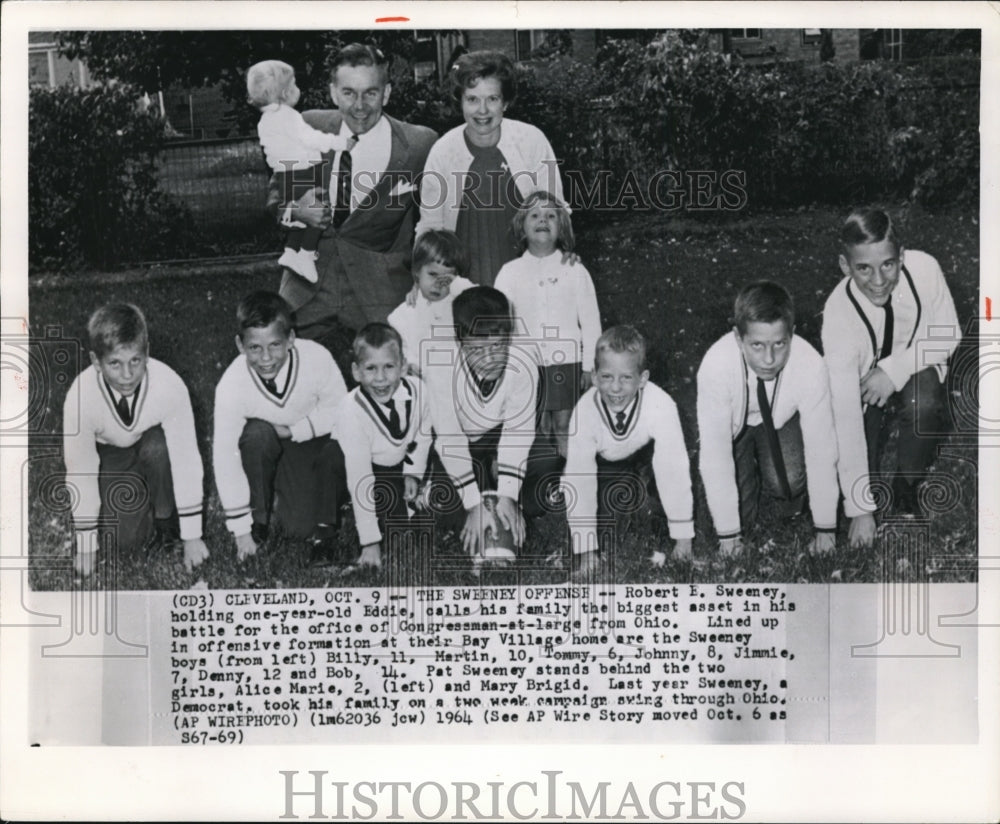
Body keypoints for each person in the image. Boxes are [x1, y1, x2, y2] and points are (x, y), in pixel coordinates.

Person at [265, 44, 438, 340]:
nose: (360, 105)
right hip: (308, 287)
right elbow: (275, 199)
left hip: (380, 291)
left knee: (398, 370)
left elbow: (435, 222)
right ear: (333, 92)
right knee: (280, 361)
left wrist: (422, 276)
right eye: (348, 93)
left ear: (386, 93)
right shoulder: (308, 127)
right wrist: (297, 210)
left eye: (370, 92)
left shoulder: (419, 145)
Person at [822, 208, 960, 546]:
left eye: (888, 264)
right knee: (853, 451)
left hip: (913, 370)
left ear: (901, 255)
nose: (879, 279)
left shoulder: (924, 268)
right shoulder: (838, 314)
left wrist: (894, 370)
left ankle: (906, 485)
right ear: (845, 266)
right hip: (862, 388)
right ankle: (861, 492)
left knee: (924, 402)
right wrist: (860, 510)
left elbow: (949, 334)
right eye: (863, 268)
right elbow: (844, 413)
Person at [62, 303, 209, 577]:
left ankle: (167, 524)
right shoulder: (80, 396)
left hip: (153, 444)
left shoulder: (169, 385)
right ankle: (140, 500)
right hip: (110, 452)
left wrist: (192, 535)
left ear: (147, 353)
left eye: (135, 361)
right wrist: (85, 544)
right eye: (115, 364)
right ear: (96, 361)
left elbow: (186, 457)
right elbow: (81, 468)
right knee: (124, 542)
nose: (127, 375)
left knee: (158, 446)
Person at [697, 281, 839, 557]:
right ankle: (746, 469)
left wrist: (826, 528)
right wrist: (728, 534)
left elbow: (822, 447)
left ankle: (776, 474)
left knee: (788, 480)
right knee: (734, 520)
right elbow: (716, 453)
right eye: (757, 345)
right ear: (738, 338)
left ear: (792, 334)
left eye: (779, 344)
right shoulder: (715, 365)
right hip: (733, 431)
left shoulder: (811, 364)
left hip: (778, 422)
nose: (769, 358)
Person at [422, 286, 562, 564]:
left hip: (500, 436)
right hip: (460, 440)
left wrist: (509, 495)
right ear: (459, 342)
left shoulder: (524, 359)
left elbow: (518, 431)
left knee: (546, 464)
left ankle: (500, 490)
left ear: (509, 336)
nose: (489, 359)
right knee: (446, 501)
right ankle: (470, 490)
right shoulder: (439, 364)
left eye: (498, 346)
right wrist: (472, 502)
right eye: (476, 350)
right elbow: (449, 436)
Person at [212, 291, 348, 566]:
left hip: (307, 442)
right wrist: (240, 532)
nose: (265, 358)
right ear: (240, 345)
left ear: (291, 339)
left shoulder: (316, 358)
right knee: (256, 434)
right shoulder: (231, 384)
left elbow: (343, 413)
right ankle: (258, 518)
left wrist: (296, 430)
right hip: (263, 444)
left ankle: (323, 496)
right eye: (254, 348)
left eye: (275, 345)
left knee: (299, 528)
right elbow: (224, 456)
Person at [416, 50, 564, 286]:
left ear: (505, 102)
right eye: (472, 99)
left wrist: (557, 271)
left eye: (492, 99)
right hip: (463, 281)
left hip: (529, 277)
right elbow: (430, 228)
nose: (482, 110)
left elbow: (557, 214)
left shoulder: (531, 141)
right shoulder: (442, 152)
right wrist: (423, 282)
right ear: (460, 101)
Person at [563, 326, 694, 582]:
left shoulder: (661, 404)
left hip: (644, 459)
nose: (615, 388)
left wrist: (683, 540)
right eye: (607, 376)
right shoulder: (584, 412)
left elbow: (673, 468)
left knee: (650, 517)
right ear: (595, 376)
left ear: (643, 378)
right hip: (603, 466)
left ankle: (644, 490)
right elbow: (580, 477)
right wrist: (587, 552)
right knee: (609, 523)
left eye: (626, 377)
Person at [495, 191, 601, 459]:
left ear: (561, 225)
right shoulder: (510, 272)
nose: (543, 220)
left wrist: (589, 365)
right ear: (522, 225)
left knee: (566, 425)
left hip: (567, 362)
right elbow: (500, 323)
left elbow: (590, 322)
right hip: (528, 366)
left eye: (550, 215)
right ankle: (543, 487)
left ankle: (572, 482)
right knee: (537, 427)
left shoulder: (575, 269)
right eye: (534, 215)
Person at [336, 323, 433, 571]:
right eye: (371, 368)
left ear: (402, 365)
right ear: (356, 372)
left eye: (389, 367)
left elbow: (423, 434)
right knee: (391, 529)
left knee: (413, 528)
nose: (380, 378)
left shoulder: (419, 391)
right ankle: (348, 510)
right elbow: (360, 474)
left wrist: (413, 471)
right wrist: (369, 542)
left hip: (397, 464)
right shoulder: (351, 409)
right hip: (364, 468)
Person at [248, 59, 354, 284]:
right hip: (303, 172)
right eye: (295, 85)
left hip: (286, 172)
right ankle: (305, 255)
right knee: (316, 210)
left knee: (307, 215)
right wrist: (341, 143)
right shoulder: (296, 119)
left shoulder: (265, 122)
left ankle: (291, 251)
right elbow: (312, 139)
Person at [386, 229, 475, 376]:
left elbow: (482, 300)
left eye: (446, 279)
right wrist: (410, 365)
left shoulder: (460, 304)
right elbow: (401, 350)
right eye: (433, 274)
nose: (438, 284)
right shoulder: (406, 313)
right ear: (416, 272)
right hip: (420, 383)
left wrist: (457, 284)